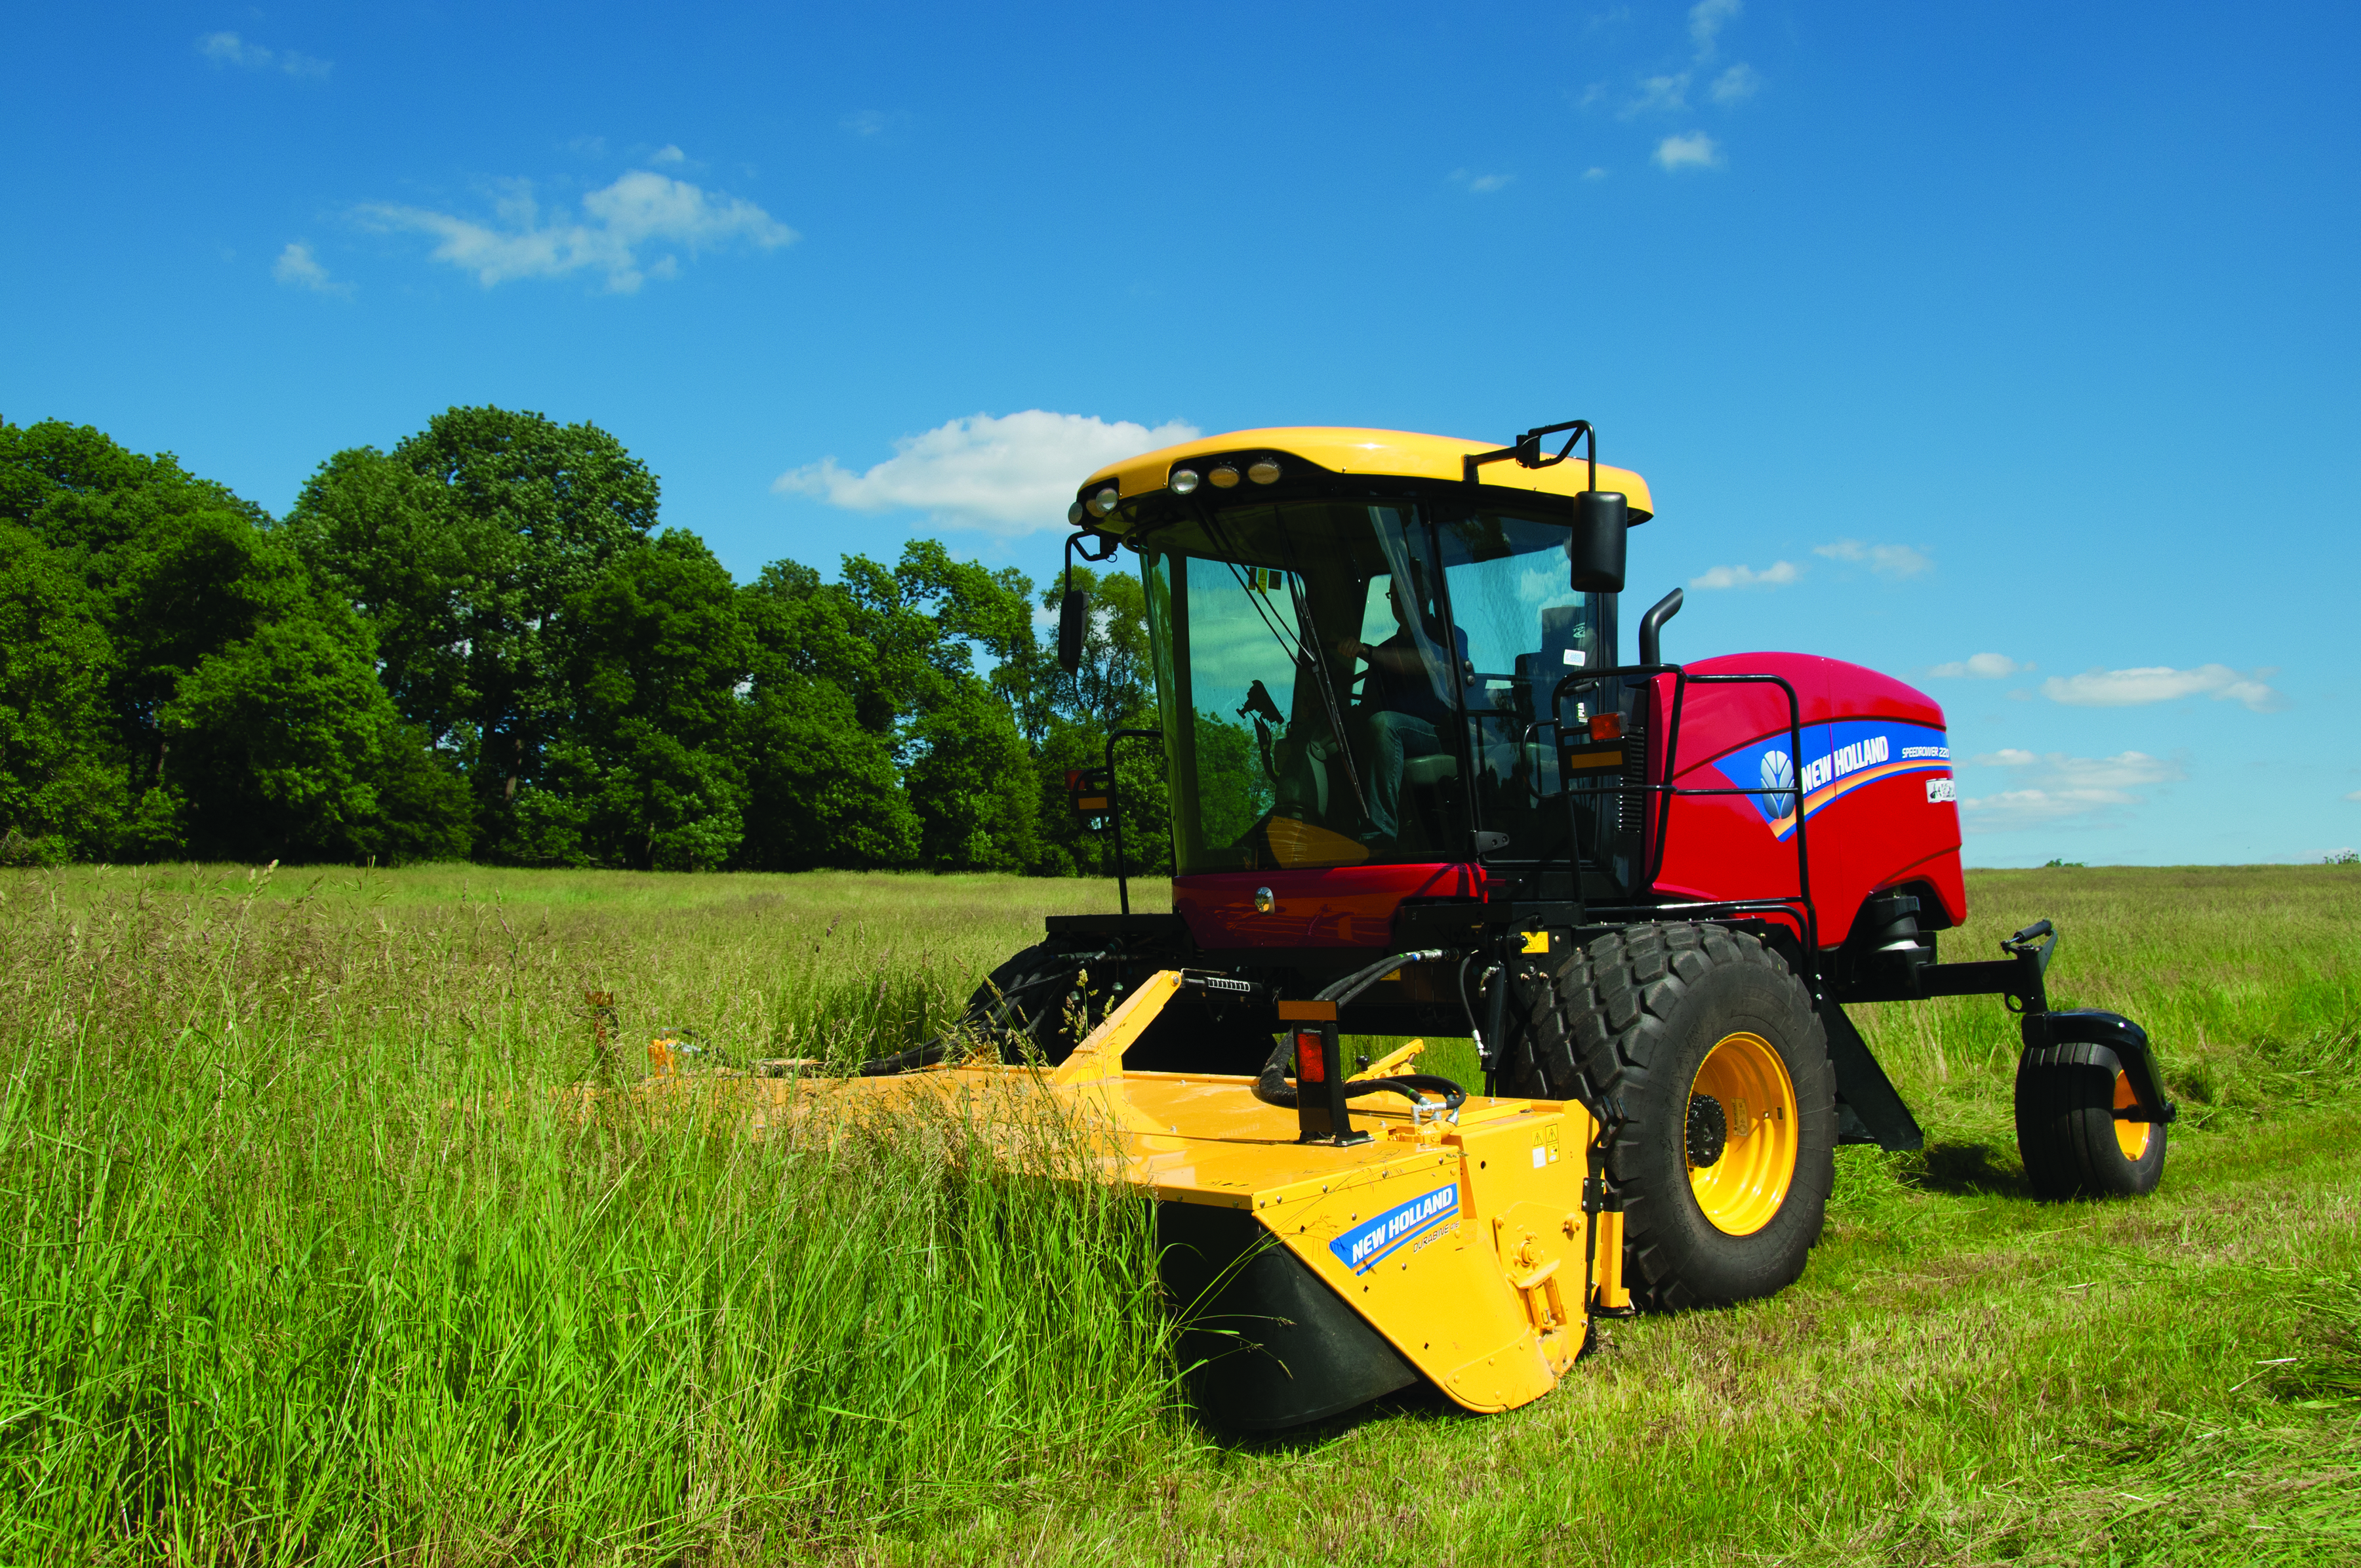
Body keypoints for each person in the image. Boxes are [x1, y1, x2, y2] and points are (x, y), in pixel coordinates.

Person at [1336, 566, 1466, 847]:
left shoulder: (1449, 635)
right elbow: (1368, 707)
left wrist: (1368, 652)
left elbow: (1429, 664)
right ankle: (1329, 829)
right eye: (1393, 595)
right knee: (1334, 732)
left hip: (1439, 734)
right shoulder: (1387, 649)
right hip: (1393, 735)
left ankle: (1380, 834)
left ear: (1426, 597)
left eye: (1404, 593)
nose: (1397, 601)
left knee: (1384, 724)